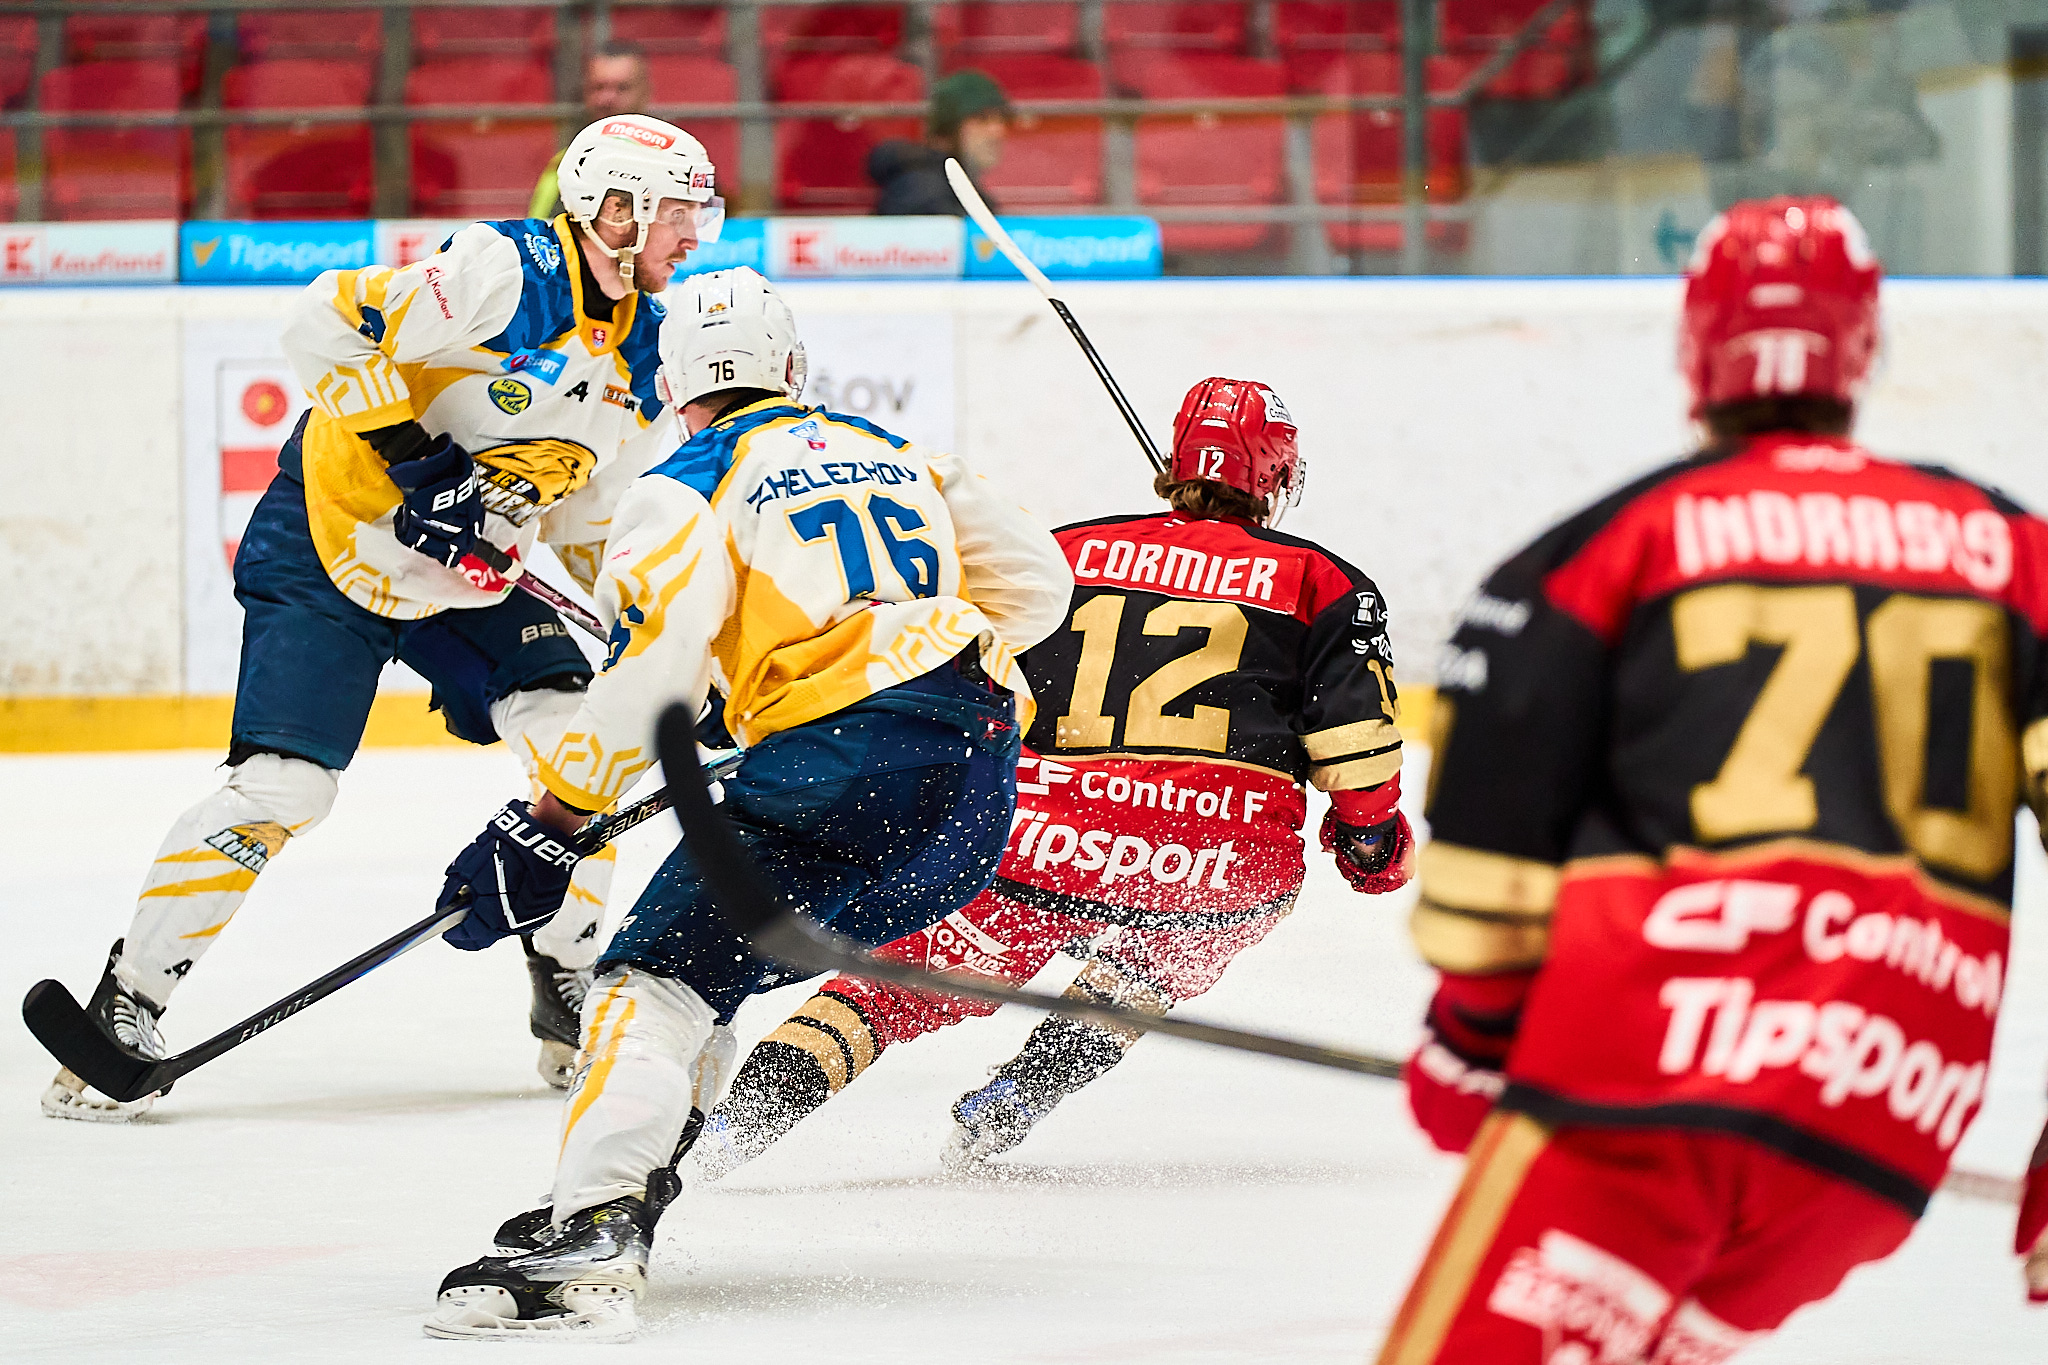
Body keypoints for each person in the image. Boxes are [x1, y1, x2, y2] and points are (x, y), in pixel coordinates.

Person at [1376, 194, 2048, 1365]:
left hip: (1636, 1101)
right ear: (1863, 349)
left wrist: (1471, 1042)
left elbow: (1489, 858)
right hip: (1878, 1134)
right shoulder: (2010, 554)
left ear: (1694, 350)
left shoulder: (1599, 549)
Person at [422, 267, 1072, 1341]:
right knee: (709, 971)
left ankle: (592, 1228)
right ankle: (632, 1181)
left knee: (650, 980)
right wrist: (850, 672)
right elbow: (1037, 587)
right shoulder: (901, 451)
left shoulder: (684, 482)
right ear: (793, 369)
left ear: (672, 388)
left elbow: (648, 675)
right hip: (972, 787)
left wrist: (555, 819)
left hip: (841, 769)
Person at [44, 114, 724, 1122]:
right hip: (335, 543)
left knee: (580, 748)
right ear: (613, 210)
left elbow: (591, 521)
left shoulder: (644, 347)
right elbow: (323, 324)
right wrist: (420, 463)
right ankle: (127, 1000)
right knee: (284, 787)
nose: (694, 235)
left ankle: (564, 978)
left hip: (470, 576)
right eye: (677, 212)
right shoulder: (507, 269)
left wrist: (661, 644)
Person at [691, 376, 1414, 1180]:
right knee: (1157, 959)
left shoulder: (1068, 549)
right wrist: (1373, 847)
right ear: (1275, 478)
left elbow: (958, 659)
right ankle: (1019, 1096)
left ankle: (723, 1138)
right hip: (1207, 868)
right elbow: (1359, 755)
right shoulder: (1322, 581)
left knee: (890, 988)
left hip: (1037, 844)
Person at [529, 41, 655, 220]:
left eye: (622, 88)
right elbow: (542, 228)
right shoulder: (565, 163)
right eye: (598, 87)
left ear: (645, 92)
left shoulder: (675, 162)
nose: (607, 98)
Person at [869, 68, 1010, 216]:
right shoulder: (923, 191)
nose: (998, 131)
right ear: (948, 128)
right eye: (981, 119)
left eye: (1002, 119)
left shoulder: (960, 190)